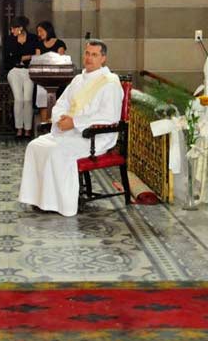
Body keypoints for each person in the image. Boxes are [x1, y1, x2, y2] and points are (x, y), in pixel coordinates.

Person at [18, 40, 123, 217]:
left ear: (103, 58)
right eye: (87, 53)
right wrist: (61, 119)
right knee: (34, 146)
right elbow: (61, 104)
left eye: (94, 55)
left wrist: (74, 123)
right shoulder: (78, 79)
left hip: (94, 137)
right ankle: (40, 199)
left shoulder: (110, 82)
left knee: (57, 152)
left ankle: (60, 204)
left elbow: (109, 116)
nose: (89, 58)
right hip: (69, 131)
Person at [6, 16, 40, 138]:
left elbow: (37, 55)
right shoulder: (10, 39)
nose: (12, 31)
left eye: (13, 28)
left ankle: (28, 129)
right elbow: (9, 58)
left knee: (28, 100)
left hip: (29, 71)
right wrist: (26, 56)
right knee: (19, 99)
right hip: (14, 71)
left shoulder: (33, 38)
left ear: (20, 28)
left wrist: (23, 57)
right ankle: (19, 128)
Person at [35, 20, 67, 123]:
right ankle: (45, 126)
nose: (39, 34)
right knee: (43, 104)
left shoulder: (59, 43)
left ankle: (54, 126)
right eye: (38, 32)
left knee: (55, 104)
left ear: (48, 30)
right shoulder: (39, 44)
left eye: (41, 31)